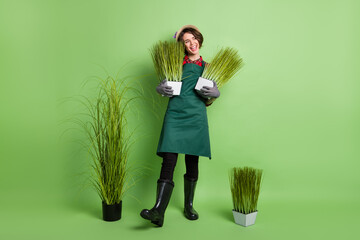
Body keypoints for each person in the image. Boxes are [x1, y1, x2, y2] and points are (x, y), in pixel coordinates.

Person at [140, 25, 220, 227]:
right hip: (175, 116)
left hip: (196, 117)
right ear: (182, 45)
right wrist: (160, 88)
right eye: (186, 40)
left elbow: (213, 94)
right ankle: (159, 211)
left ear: (200, 40)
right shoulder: (173, 64)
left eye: (194, 39)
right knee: (168, 161)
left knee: (192, 162)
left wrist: (215, 93)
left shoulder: (210, 67)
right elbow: (164, 85)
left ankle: (189, 205)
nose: (192, 43)